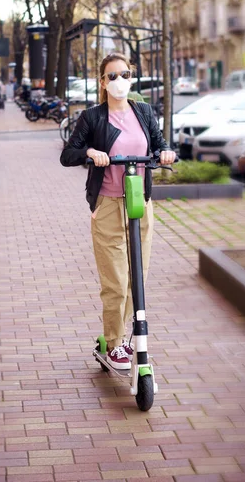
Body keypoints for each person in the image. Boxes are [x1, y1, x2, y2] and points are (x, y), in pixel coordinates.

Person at [60, 53, 176, 370]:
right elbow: (67, 155)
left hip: (140, 203)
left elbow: (161, 143)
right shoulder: (93, 118)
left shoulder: (145, 112)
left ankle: (125, 341)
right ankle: (113, 343)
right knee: (115, 280)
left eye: (124, 74)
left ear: (131, 77)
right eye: (111, 76)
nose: (119, 81)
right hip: (108, 204)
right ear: (102, 82)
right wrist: (90, 151)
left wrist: (166, 152)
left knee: (136, 279)